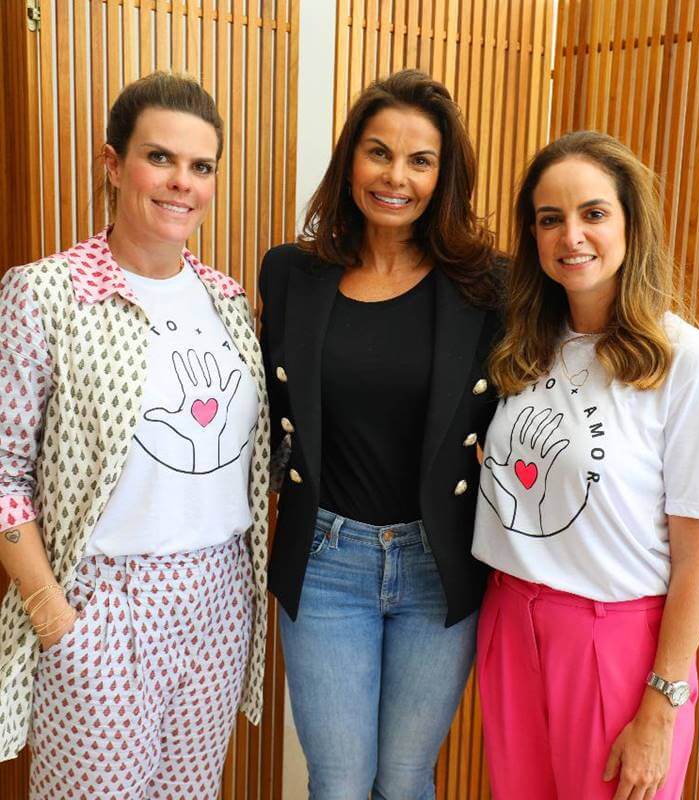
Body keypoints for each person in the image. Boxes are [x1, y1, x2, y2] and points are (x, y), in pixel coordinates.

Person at [0, 72, 270, 799]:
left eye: (201, 166)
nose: (181, 183)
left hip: (220, 598)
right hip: (104, 604)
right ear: (112, 163)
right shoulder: (46, 293)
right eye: (160, 158)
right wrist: (52, 614)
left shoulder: (226, 300)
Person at [472, 130, 699, 800]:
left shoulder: (686, 362)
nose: (573, 236)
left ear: (630, 223)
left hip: (616, 644)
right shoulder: (522, 347)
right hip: (510, 622)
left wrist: (663, 702)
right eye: (550, 219)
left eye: (594, 213)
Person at [258, 69, 501, 799]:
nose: (396, 176)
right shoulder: (291, 273)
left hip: (439, 563)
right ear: (350, 162)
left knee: (403, 780)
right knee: (337, 783)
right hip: (328, 560)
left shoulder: (489, 287)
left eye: (420, 160)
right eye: (378, 153)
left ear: (443, 175)